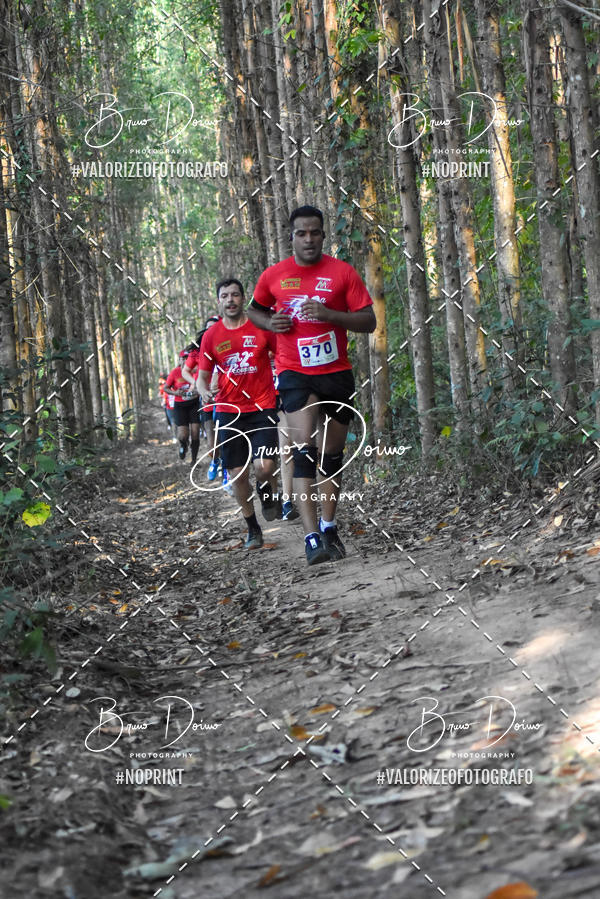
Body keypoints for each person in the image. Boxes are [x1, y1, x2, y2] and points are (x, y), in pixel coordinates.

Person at [248, 204, 376, 565]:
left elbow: (369, 321)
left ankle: (329, 524)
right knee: (303, 451)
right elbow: (256, 310)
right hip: (294, 373)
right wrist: (270, 324)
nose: (308, 239)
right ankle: (310, 537)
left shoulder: (342, 273)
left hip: (335, 372)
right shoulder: (274, 275)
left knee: (331, 457)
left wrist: (330, 315)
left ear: (323, 235)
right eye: (301, 233)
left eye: (314, 232)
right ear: (291, 237)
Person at [191, 278, 282, 549]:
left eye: (235, 295)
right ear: (218, 301)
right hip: (229, 412)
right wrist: (204, 391)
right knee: (238, 475)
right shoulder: (211, 336)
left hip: (262, 405)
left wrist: (286, 382)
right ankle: (253, 527)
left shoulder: (261, 328)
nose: (230, 300)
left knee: (264, 465)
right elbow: (202, 377)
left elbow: (282, 357)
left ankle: (268, 492)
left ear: (244, 299)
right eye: (224, 296)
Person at [163, 349, 201, 464]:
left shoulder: (195, 371)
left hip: (194, 404)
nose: (185, 361)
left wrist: (198, 391)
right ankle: (183, 444)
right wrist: (175, 393)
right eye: (182, 359)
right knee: (183, 435)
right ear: (179, 360)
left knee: (195, 433)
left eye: (187, 358)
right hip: (180, 406)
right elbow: (166, 388)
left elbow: (202, 384)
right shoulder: (174, 372)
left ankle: (194, 460)